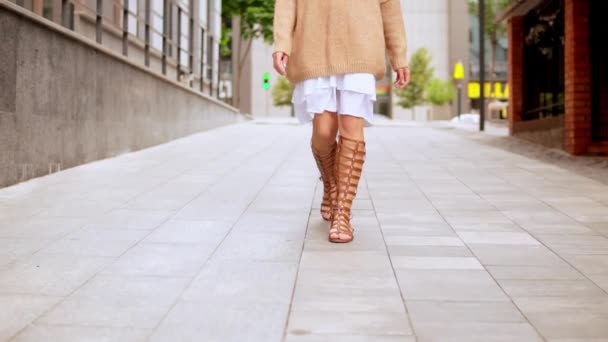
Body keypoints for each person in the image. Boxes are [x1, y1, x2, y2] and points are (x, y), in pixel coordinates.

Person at [272, 0, 410, 243]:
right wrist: (282, 42)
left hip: (362, 45)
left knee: (351, 127)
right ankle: (331, 184)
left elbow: (390, 7)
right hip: (314, 44)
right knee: (324, 132)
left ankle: (342, 213)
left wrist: (398, 56)